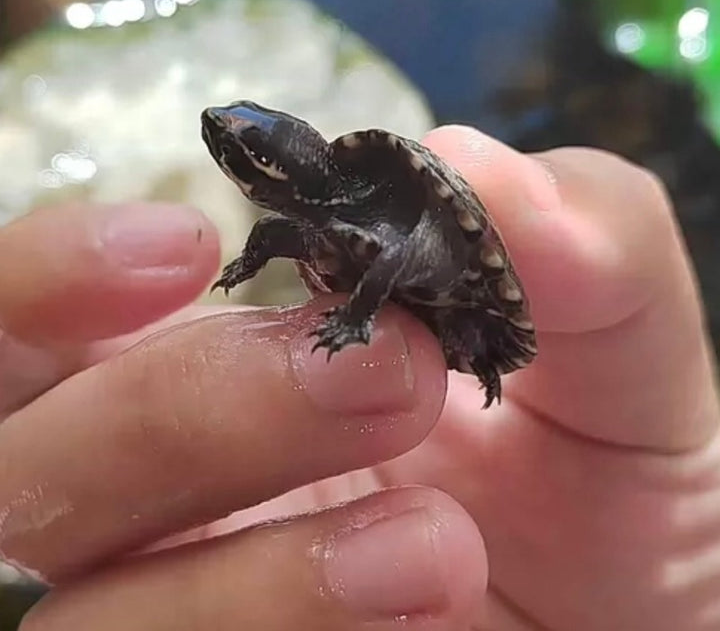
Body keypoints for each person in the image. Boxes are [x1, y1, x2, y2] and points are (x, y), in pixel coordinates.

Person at [1, 125, 717, 631]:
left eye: (238, 149)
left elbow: (390, 261)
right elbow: (281, 235)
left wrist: (355, 322)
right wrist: (252, 264)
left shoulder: (365, 195)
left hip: (459, 293)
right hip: (411, 307)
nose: (222, 142)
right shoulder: (311, 221)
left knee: (436, 309)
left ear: (281, 164)